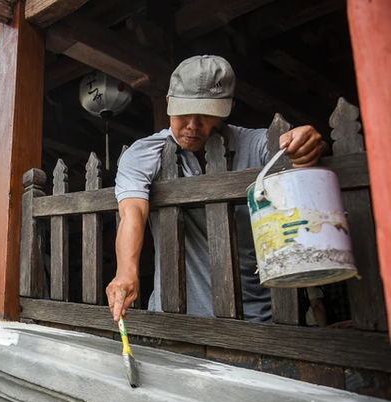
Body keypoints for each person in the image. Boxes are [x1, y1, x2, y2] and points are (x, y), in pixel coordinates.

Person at [106, 55, 326, 323]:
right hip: (176, 317)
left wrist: (307, 144)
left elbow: (293, 155)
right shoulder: (144, 153)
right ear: (168, 103)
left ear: (228, 109)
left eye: (207, 114)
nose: (192, 125)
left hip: (260, 317)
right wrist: (126, 271)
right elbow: (132, 212)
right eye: (183, 111)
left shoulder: (255, 144)